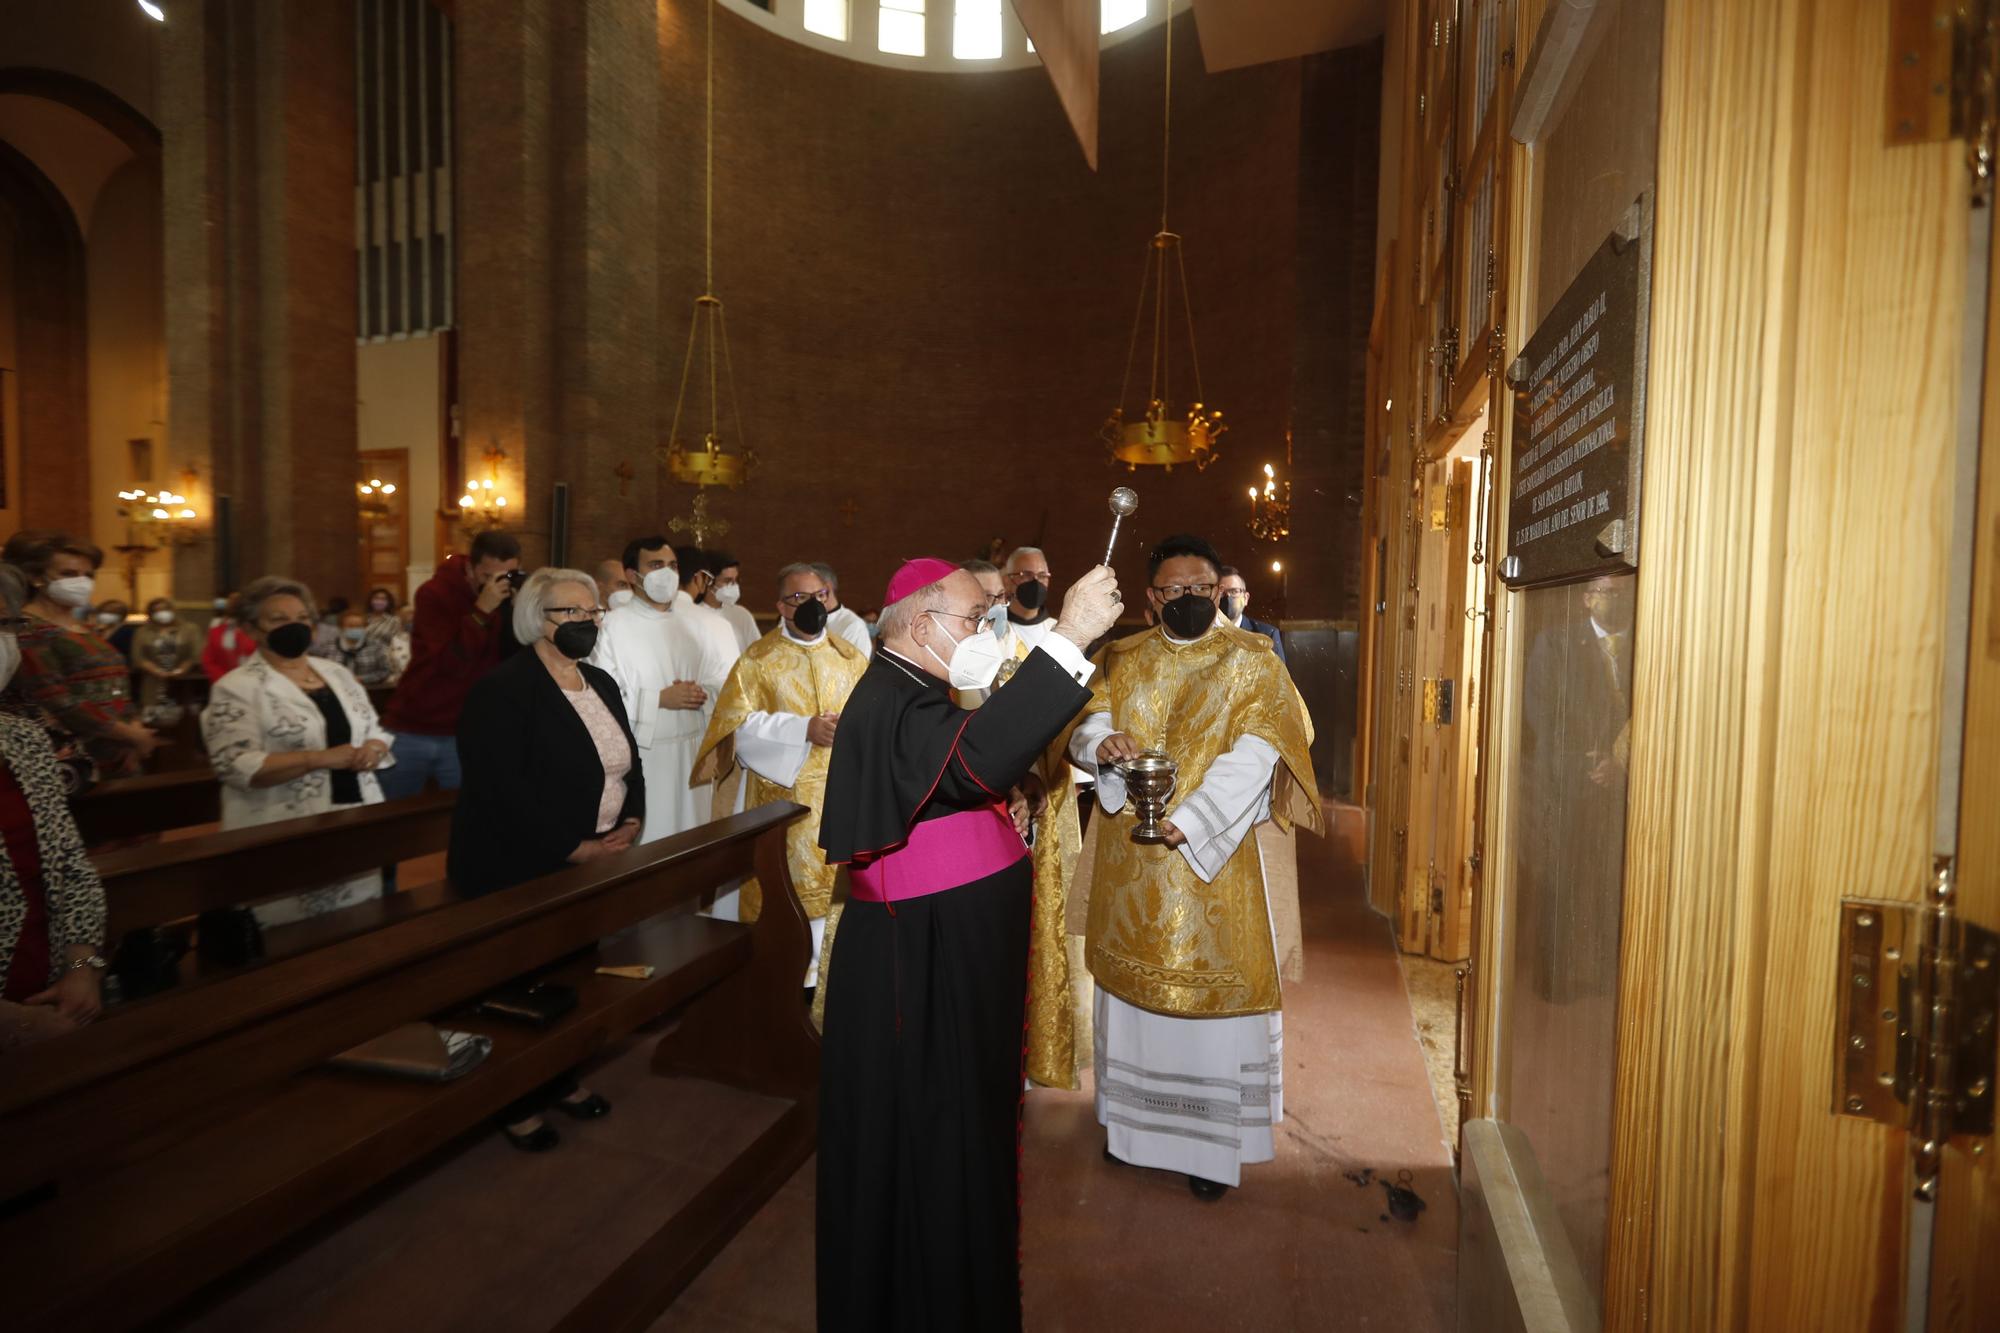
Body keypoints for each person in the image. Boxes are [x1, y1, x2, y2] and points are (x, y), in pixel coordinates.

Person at [814, 557, 1119, 1332]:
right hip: (919, 971)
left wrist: (995, 809)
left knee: (960, 1143)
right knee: (930, 1150)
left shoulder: (912, 689)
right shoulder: (893, 696)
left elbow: (956, 777)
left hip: (942, 955)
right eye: (973, 619)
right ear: (921, 626)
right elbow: (976, 754)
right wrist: (1073, 634)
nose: (984, 630)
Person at [1064, 533, 1322, 1201]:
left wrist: (1200, 818)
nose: (1188, 599)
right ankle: (1130, 1131)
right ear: (1151, 599)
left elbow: (1265, 747)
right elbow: (1084, 723)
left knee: (1214, 1007)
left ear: (1218, 590)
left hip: (1218, 857)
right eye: (1173, 590)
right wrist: (1104, 745)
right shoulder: (1121, 658)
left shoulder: (1254, 660)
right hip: (1133, 860)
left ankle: (1212, 1150)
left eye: (1200, 588)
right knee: (1131, 1002)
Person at [450, 567, 634, 1150]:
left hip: (591, 855)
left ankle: (561, 1078)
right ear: (536, 619)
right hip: (518, 863)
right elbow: (499, 788)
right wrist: (572, 846)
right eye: (571, 613)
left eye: (593, 612)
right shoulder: (502, 690)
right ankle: (516, 1100)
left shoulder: (599, 682)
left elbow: (628, 762)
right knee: (520, 984)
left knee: (573, 973)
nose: (586, 621)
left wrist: (631, 820)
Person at [691, 563, 866, 980]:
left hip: (842, 798)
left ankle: (833, 980)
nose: (811, 605)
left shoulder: (851, 657)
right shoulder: (758, 660)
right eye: (798, 598)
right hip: (783, 803)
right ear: (780, 607)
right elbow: (735, 729)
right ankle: (785, 981)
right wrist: (802, 728)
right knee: (788, 893)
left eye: (819, 596)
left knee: (839, 896)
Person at [956, 558, 1088, 1091]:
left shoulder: (1022, 655)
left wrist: (1029, 777)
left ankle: (1027, 1052)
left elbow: (1045, 732)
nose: (992, 611)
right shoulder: (949, 663)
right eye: (982, 601)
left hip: (1024, 819)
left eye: (995, 602)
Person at [201, 577, 396, 928]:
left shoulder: (338, 674)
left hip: (353, 820)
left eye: (303, 617)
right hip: (283, 831)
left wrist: (376, 746)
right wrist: (320, 758)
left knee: (359, 928)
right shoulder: (237, 687)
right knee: (291, 940)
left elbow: (373, 729)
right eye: (278, 619)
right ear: (252, 628)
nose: (296, 626)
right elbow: (234, 765)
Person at [0, 563, 111, 1052]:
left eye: (3, 624)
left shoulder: (22, 738)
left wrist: (82, 967)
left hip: (45, 988)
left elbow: (70, 865)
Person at [589, 537, 733, 844]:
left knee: (693, 843)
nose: (666, 573)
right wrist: (658, 699)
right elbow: (599, 699)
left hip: (694, 753)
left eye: (672, 566)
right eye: (655, 565)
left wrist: (701, 693)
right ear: (631, 575)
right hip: (646, 757)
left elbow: (724, 680)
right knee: (652, 844)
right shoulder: (611, 628)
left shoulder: (695, 625)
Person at [0, 531, 158, 783]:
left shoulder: (83, 626)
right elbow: (57, 699)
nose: (82, 582)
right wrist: (129, 734)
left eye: (88, 575)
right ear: (36, 577)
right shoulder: (28, 628)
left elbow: (117, 682)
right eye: (69, 574)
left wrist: (133, 727)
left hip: (116, 748)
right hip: (69, 756)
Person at [378, 530, 521, 798]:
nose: (496, 584)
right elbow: (450, 664)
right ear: (469, 568)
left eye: (506, 576)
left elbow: (511, 661)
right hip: (416, 725)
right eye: (487, 577)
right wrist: (481, 611)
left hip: (468, 730)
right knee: (392, 820)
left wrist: (516, 609)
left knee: (461, 818)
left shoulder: (507, 597)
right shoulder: (434, 594)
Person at [129, 597, 202, 724]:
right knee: (153, 723)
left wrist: (180, 671)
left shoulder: (190, 629)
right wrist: (158, 672)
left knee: (183, 724)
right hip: (152, 684)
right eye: (156, 611)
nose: (161, 613)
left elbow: (195, 655)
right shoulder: (142, 632)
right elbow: (138, 657)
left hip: (182, 684)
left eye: (164, 609)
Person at [312, 608, 397, 687]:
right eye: (350, 626)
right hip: (335, 690)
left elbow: (385, 671)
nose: (355, 629)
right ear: (341, 627)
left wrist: (362, 679)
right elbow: (318, 670)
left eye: (359, 626)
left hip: (369, 690)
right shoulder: (328, 647)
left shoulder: (376, 646)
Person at [1218, 564, 1286, 662]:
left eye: (1234, 591)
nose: (1227, 597)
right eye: (1221, 592)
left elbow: (1280, 675)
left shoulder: (1266, 636)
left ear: (1245, 598)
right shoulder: (1201, 634)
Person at [811, 561, 874, 659]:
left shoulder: (853, 626)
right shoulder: (798, 620)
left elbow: (855, 669)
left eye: (807, 588)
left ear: (826, 588)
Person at [1002, 545, 1058, 652]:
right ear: (1007, 581)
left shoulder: (1056, 631)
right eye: (1027, 575)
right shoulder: (994, 627)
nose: (1036, 582)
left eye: (1042, 575)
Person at [703, 550, 761, 652]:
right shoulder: (696, 613)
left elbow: (758, 653)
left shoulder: (742, 615)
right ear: (708, 581)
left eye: (736, 580)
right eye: (727, 581)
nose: (733, 586)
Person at [202, 593, 258, 682]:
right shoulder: (216, 632)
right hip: (223, 682)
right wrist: (226, 680)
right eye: (233, 605)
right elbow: (208, 661)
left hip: (252, 683)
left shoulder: (257, 632)